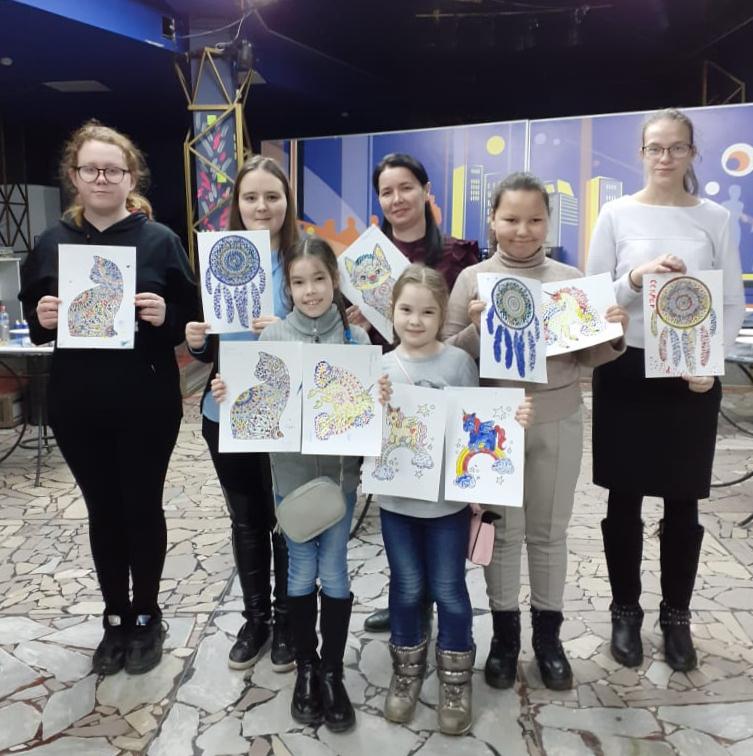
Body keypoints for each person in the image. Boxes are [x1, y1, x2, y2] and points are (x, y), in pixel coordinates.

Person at [18, 120, 197, 675]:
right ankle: (115, 615)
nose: (102, 178)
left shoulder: (160, 241)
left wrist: (168, 315)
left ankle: (147, 615)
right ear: (74, 177)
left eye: (113, 170)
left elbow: (193, 319)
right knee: (103, 510)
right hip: (77, 403)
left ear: (130, 178)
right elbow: (36, 324)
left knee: (142, 506)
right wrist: (42, 316)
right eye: (91, 169)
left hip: (146, 401)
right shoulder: (51, 243)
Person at [445, 171, 628, 690]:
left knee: (549, 533)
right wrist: (477, 328)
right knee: (502, 533)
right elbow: (445, 356)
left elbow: (588, 356)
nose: (522, 230)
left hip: (558, 416)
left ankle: (549, 639)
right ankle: (505, 639)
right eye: (510, 219)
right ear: (492, 220)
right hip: (492, 426)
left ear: (549, 223)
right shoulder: (473, 279)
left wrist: (613, 334)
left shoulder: (569, 279)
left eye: (534, 220)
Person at [586, 108, 745, 672]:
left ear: (692, 153)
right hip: (626, 368)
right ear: (642, 152)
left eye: (677, 148)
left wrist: (711, 363)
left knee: (683, 502)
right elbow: (593, 298)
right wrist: (635, 279)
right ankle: (625, 611)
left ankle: (676, 616)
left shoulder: (715, 218)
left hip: (689, 374)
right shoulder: (615, 214)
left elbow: (730, 300)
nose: (665, 157)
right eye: (656, 147)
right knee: (623, 499)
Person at [212, 236, 389, 732]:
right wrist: (231, 394)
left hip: (339, 482)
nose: (310, 291)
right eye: (298, 282)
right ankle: (306, 669)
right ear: (287, 287)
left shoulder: (357, 343)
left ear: (335, 280)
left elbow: (370, 414)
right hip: (288, 481)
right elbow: (256, 404)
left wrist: (380, 396)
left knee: (335, 572)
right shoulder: (272, 338)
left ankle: (332, 672)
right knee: (298, 573)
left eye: (319, 279)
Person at [378, 264, 531, 734]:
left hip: (447, 506)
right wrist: (370, 406)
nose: (415, 320)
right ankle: (406, 674)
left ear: (443, 315)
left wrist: (512, 420)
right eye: (406, 310)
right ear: (392, 311)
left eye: (428, 312)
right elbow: (363, 435)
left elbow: (480, 425)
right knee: (406, 588)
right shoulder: (380, 369)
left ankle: (455, 681)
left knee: (449, 590)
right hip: (396, 505)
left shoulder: (460, 364)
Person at [185, 156, 298, 672]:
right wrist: (196, 341)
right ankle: (257, 620)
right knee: (247, 519)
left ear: (287, 202)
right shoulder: (218, 260)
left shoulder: (303, 260)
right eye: (251, 197)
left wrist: (284, 328)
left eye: (272, 196)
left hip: (286, 413)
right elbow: (211, 345)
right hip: (225, 408)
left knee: (287, 519)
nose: (262, 206)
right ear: (236, 204)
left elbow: (326, 337)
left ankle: (288, 619)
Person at [361, 152, 481, 632]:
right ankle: (408, 606)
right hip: (393, 394)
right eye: (386, 191)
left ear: (426, 190)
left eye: (406, 187)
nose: (397, 198)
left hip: (448, 385)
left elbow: (469, 343)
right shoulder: (367, 262)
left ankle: (434, 608)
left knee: (446, 565)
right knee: (406, 555)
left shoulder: (458, 255)